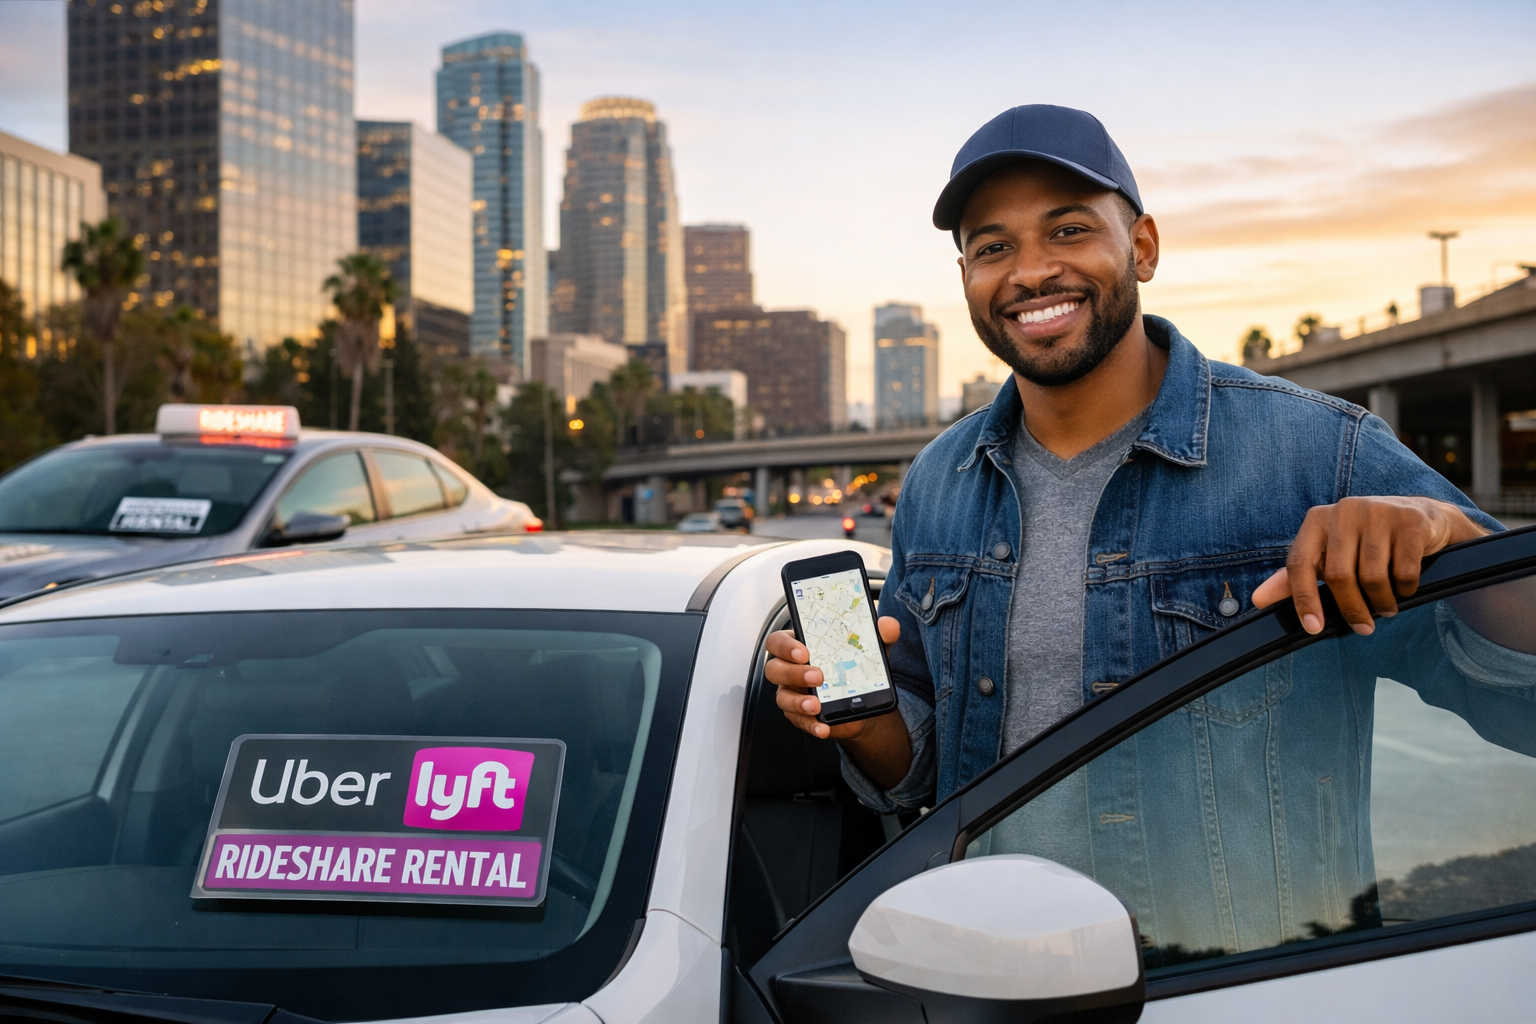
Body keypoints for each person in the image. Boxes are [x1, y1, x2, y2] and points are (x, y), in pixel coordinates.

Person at [762, 106, 1506, 948]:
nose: (1030, 272)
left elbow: (1517, 696)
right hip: (989, 971)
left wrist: (1447, 529)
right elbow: (922, 768)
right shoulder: (941, 478)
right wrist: (863, 725)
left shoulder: (1318, 454)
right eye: (993, 246)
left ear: (1143, 246)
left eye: (1069, 230)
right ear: (965, 273)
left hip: (1236, 985)